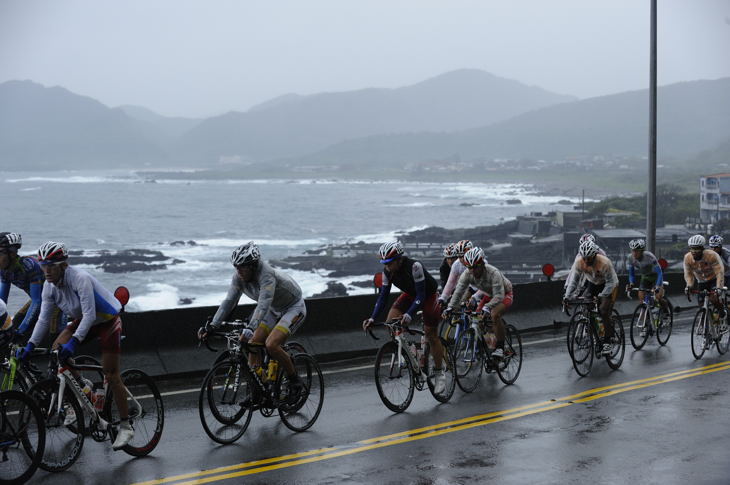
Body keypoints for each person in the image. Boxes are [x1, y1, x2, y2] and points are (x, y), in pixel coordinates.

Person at [15, 242, 133, 450]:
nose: (46, 271)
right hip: (86, 321)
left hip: (106, 321)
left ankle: (125, 425)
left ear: (64, 265)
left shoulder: (81, 279)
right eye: (43, 266)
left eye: (51, 265)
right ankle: (85, 389)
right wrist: (30, 345)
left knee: (111, 373)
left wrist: (75, 341)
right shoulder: (49, 287)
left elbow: (89, 315)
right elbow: (43, 319)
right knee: (56, 349)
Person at [201, 241, 307, 403]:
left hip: (293, 307)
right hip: (273, 308)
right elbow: (229, 301)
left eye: (242, 267)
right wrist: (213, 325)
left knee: (272, 345)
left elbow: (263, 302)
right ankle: (258, 390)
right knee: (252, 344)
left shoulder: (266, 275)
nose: (239, 271)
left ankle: (294, 381)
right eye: (236, 267)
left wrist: (250, 327)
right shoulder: (239, 277)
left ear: (253, 265)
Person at [362, 241, 446, 394]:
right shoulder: (387, 272)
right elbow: (383, 297)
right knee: (390, 324)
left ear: (399, 259)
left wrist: (409, 314)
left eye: (389, 263)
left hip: (428, 295)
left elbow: (421, 295)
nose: (387, 266)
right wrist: (372, 318)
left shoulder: (415, 267)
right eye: (384, 263)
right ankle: (412, 356)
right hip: (409, 294)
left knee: (431, 334)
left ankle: (440, 374)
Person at [443, 247, 513, 359]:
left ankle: (500, 347)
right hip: (487, 294)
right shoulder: (467, 274)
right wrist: (450, 307)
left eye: (475, 267)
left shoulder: (493, 273)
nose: (472, 271)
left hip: (504, 294)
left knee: (494, 314)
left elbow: (499, 296)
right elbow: (459, 292)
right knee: (477, 320)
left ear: (482, 264)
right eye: (469, 267)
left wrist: (487, 307)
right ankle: (489, 346)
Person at [0, 232, 65, 340]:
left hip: (57, 301)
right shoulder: (4, 270)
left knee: (53, 336)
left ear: (11, 254)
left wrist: (22, 329)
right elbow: (2, 301)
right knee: (14, 325)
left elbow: (37, 301)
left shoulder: (29, 265)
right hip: (40, 300)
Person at [563, 239, 619, 356]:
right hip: (593, 283)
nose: (587, 261)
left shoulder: (604, 262)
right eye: (584, 258)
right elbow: (574, 281)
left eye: (589, 258)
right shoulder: (579, 262)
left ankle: (608, 340)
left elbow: (612, 282)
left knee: (603, 310)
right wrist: (567, 297)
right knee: (587, 307)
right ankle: (595, 333)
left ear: (594, 255)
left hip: (608, 284)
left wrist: (602, 296)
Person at [626, 239, 669, 329]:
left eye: (637, 251)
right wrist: (631, 283)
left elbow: (659, 272)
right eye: (633, 250)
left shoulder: (649, 256)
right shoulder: (630, 258)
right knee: (642, 301)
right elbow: (631, 273)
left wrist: (657, 286)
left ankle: (666, 313)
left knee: (658, 297)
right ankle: (646, 323)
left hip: (656, 277)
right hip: (645, 278)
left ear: (642, 251)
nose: (634, 253)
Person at [683, 235, 725, 317]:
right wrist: (689, 286)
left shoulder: (712, 255)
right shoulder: (687, 258)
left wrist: (719, 287)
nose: (694, 251)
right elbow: (688, 274)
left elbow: (719, 272)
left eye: (697, 249)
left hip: (714, 279)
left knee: (713, 298)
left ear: (702, 248)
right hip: (701, 281)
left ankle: (721, 311)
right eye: (692, 248)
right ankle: (704, 327)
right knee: (701, 306)